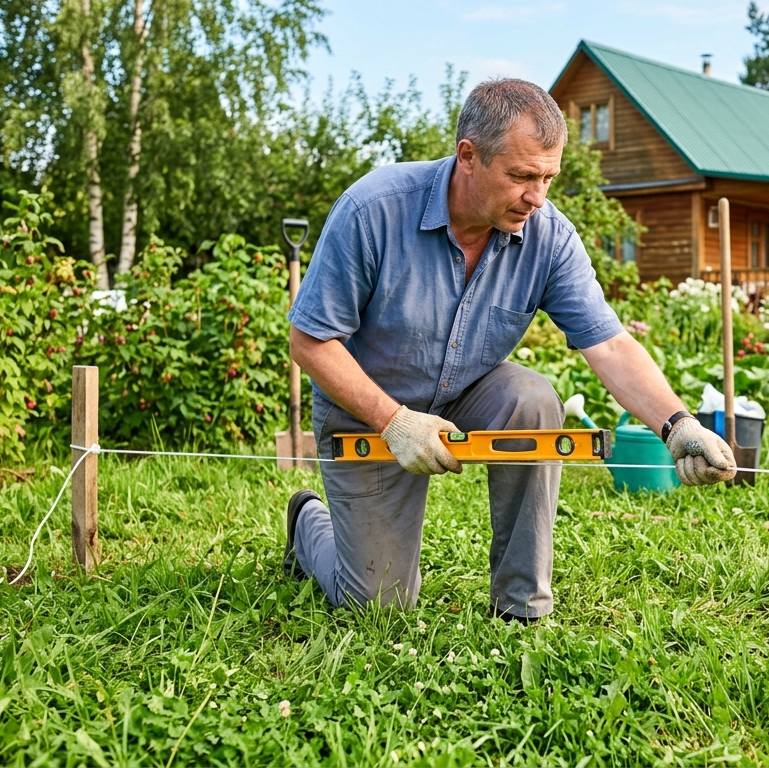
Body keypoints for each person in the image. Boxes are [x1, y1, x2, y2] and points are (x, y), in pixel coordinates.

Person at [283, 78, 735, 622]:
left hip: (466, 392)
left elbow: (611, 344)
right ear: (468, 156)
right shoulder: (373, 210)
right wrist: (396, 420)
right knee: (376, 607)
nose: (537, 197)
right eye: (521, 176)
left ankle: (521, 605)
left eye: (548, 177)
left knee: (533, 399)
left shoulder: (549, 236)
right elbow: (310, 341)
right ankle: (308, 522)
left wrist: (678, 425)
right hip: (367, 411)